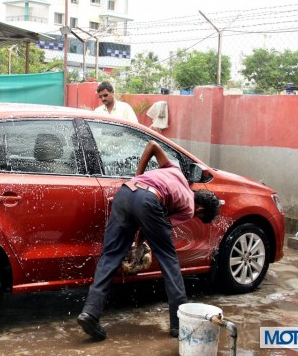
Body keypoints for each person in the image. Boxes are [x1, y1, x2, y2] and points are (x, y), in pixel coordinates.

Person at [77, 140, 220, 340]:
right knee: (169, 261)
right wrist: (141, 244)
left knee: (110, 255)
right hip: (148, 200)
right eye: (199, 217)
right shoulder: (188, 208)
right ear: (201, 209)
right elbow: (155, 222)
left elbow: (152, 145)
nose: (194, 218)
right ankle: (179, 324)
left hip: (126, 193)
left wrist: (138, 177)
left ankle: (90, 312)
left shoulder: (175, 170)